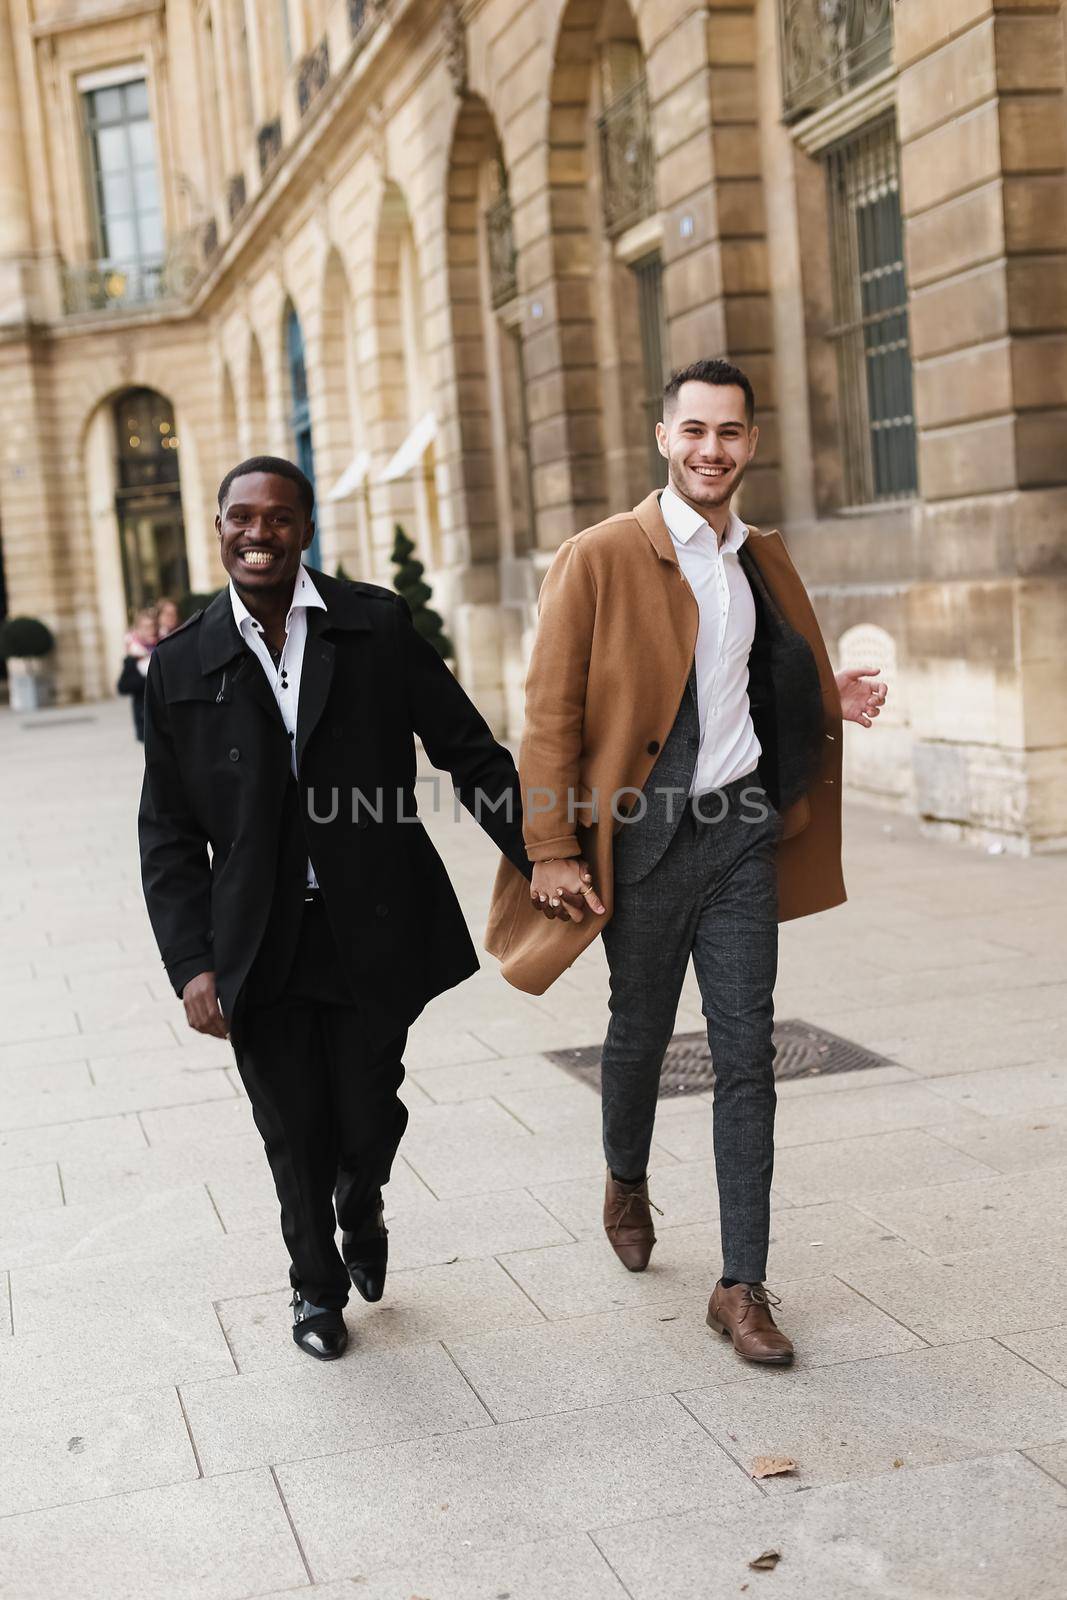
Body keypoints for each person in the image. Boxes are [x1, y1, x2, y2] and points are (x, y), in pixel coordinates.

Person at [487, 359, 887, 1366]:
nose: (712, 449)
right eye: (694, 431)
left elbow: (754, 678)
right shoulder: (599, 555)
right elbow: (548, 719)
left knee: (744, 1053)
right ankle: (624, 1173)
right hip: (646, 846)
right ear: (663, 438)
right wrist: (546, 847)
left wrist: (820, 697)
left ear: (750, 444)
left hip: (741, 833)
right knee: (638, 1035)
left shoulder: (762, 556)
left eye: (730, 433)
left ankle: (739, 1284)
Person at [139, 455, 530, 1361]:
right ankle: (313, 1291)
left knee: (367, 1111)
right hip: (254, 943)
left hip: (372, 926)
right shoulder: (182, 663)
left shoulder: (373, 625)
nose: (257, 532)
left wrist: (541, 853)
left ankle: (363, 1198)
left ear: (305, 529)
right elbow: (166, 833)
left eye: (278, 517)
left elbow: (467, 752)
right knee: (291, 1131)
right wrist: (191, 965)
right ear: (219, 528)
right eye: (241, 516)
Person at [117, 605, 159, 741]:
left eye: (153, 626)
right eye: (146, 627)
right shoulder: (134, 657)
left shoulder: (164, 650)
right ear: (138, 630)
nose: (151, 630)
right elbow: (122, 687)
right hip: (144, 716)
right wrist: (148, 679)